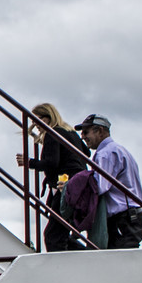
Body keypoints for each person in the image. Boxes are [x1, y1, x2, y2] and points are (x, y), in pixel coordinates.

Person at [15, 102, 90, 250]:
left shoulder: (53, 133)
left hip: (65, 187)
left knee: (53, 236)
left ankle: (69, 266)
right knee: (60, 233)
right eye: (32, 121)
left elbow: (51, 163)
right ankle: (87, 256)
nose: (35, 124)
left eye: (38, 119)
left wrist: (29, 162)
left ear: (49, 117)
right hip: (79, 186)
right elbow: (86, 153)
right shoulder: (70, 133)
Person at [78, 114, 142, 249]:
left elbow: (99, 186)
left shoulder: (105, 154)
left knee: (117, 262)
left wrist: (74, 186)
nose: (82, 136)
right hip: (132, 215)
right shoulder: (119, 150)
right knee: (122, 260)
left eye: (86, 132)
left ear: (100, 131)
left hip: (123, 218)